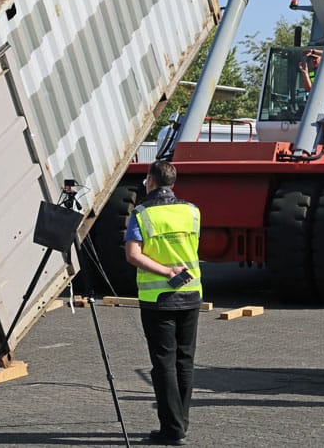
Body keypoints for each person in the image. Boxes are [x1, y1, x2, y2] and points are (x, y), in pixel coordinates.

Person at [124, 161, 202, 446]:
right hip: (192, 293)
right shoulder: (192, 211)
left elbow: (133, 255)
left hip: (158, 298)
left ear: (151, 181)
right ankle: (181, 423)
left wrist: (165, 271)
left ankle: (171, 429)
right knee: (185, 361)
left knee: (163, 363)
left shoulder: (142, 214)